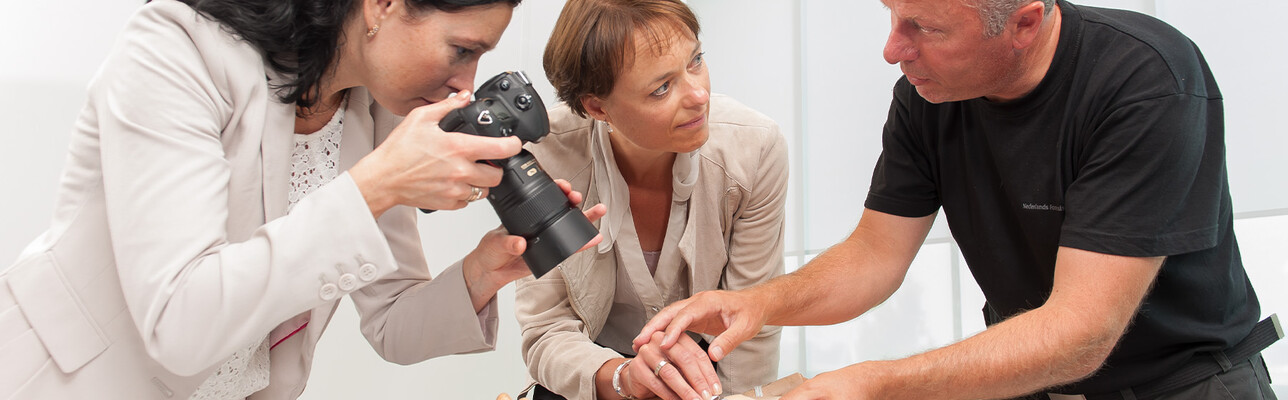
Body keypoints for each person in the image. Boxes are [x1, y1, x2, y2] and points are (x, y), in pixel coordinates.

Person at [635, 0, 1281, 399]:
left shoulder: (1145, 82)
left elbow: (1081, 333)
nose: (893, 49)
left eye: (923, 28)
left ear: (1024, 23)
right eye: (891, 16)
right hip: (1033, 385)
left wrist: (875, 383)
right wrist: (756, 304)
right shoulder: (928, 96)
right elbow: (874, 255)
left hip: (1185, 385)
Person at [0, 0, 606, 398]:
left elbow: (392, 323)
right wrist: (374, 187)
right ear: (382, 6)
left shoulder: (376, 110)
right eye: (462, 50)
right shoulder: (177, 52)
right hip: (68, 382)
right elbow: (180, 320)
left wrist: (482, 272)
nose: (465, 85)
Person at [513, 1, 789, 399]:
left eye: (696, 61)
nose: (699, 95)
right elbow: (546, 332)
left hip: (707, 375)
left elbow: (749, 325)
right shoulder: (542, 158)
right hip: (594, 377)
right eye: (662, 88)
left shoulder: (755, 148)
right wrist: (624, 378)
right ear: (597, 106)